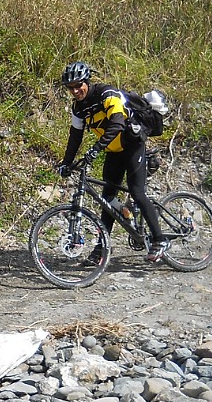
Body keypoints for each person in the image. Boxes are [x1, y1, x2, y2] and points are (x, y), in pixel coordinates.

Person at [54, 61, 169, 264]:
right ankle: (101, 250)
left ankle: (160, 240)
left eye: (78, 85)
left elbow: (117, 122)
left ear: (86, 81)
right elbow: (75, 137)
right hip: (113, 151)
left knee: (137, 192)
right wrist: (66, 163)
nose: (75, 90)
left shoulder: (107, 94)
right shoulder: (78, 108)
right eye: (71, 87)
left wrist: (97, 148)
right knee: (107, 200)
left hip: (132, 146)